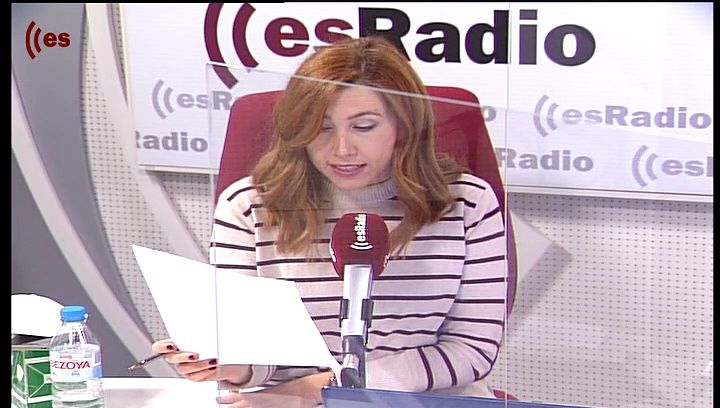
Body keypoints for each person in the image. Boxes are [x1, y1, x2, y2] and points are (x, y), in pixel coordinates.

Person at [152, 36, 508, 407]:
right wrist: (225, 362)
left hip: (424, 400)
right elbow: (254, 355)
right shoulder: (248, 206)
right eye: (321, 128)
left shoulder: (466, 202)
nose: (342, 149)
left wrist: (325, 389)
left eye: (364, 127)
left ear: (405, 127)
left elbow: (472, 348)